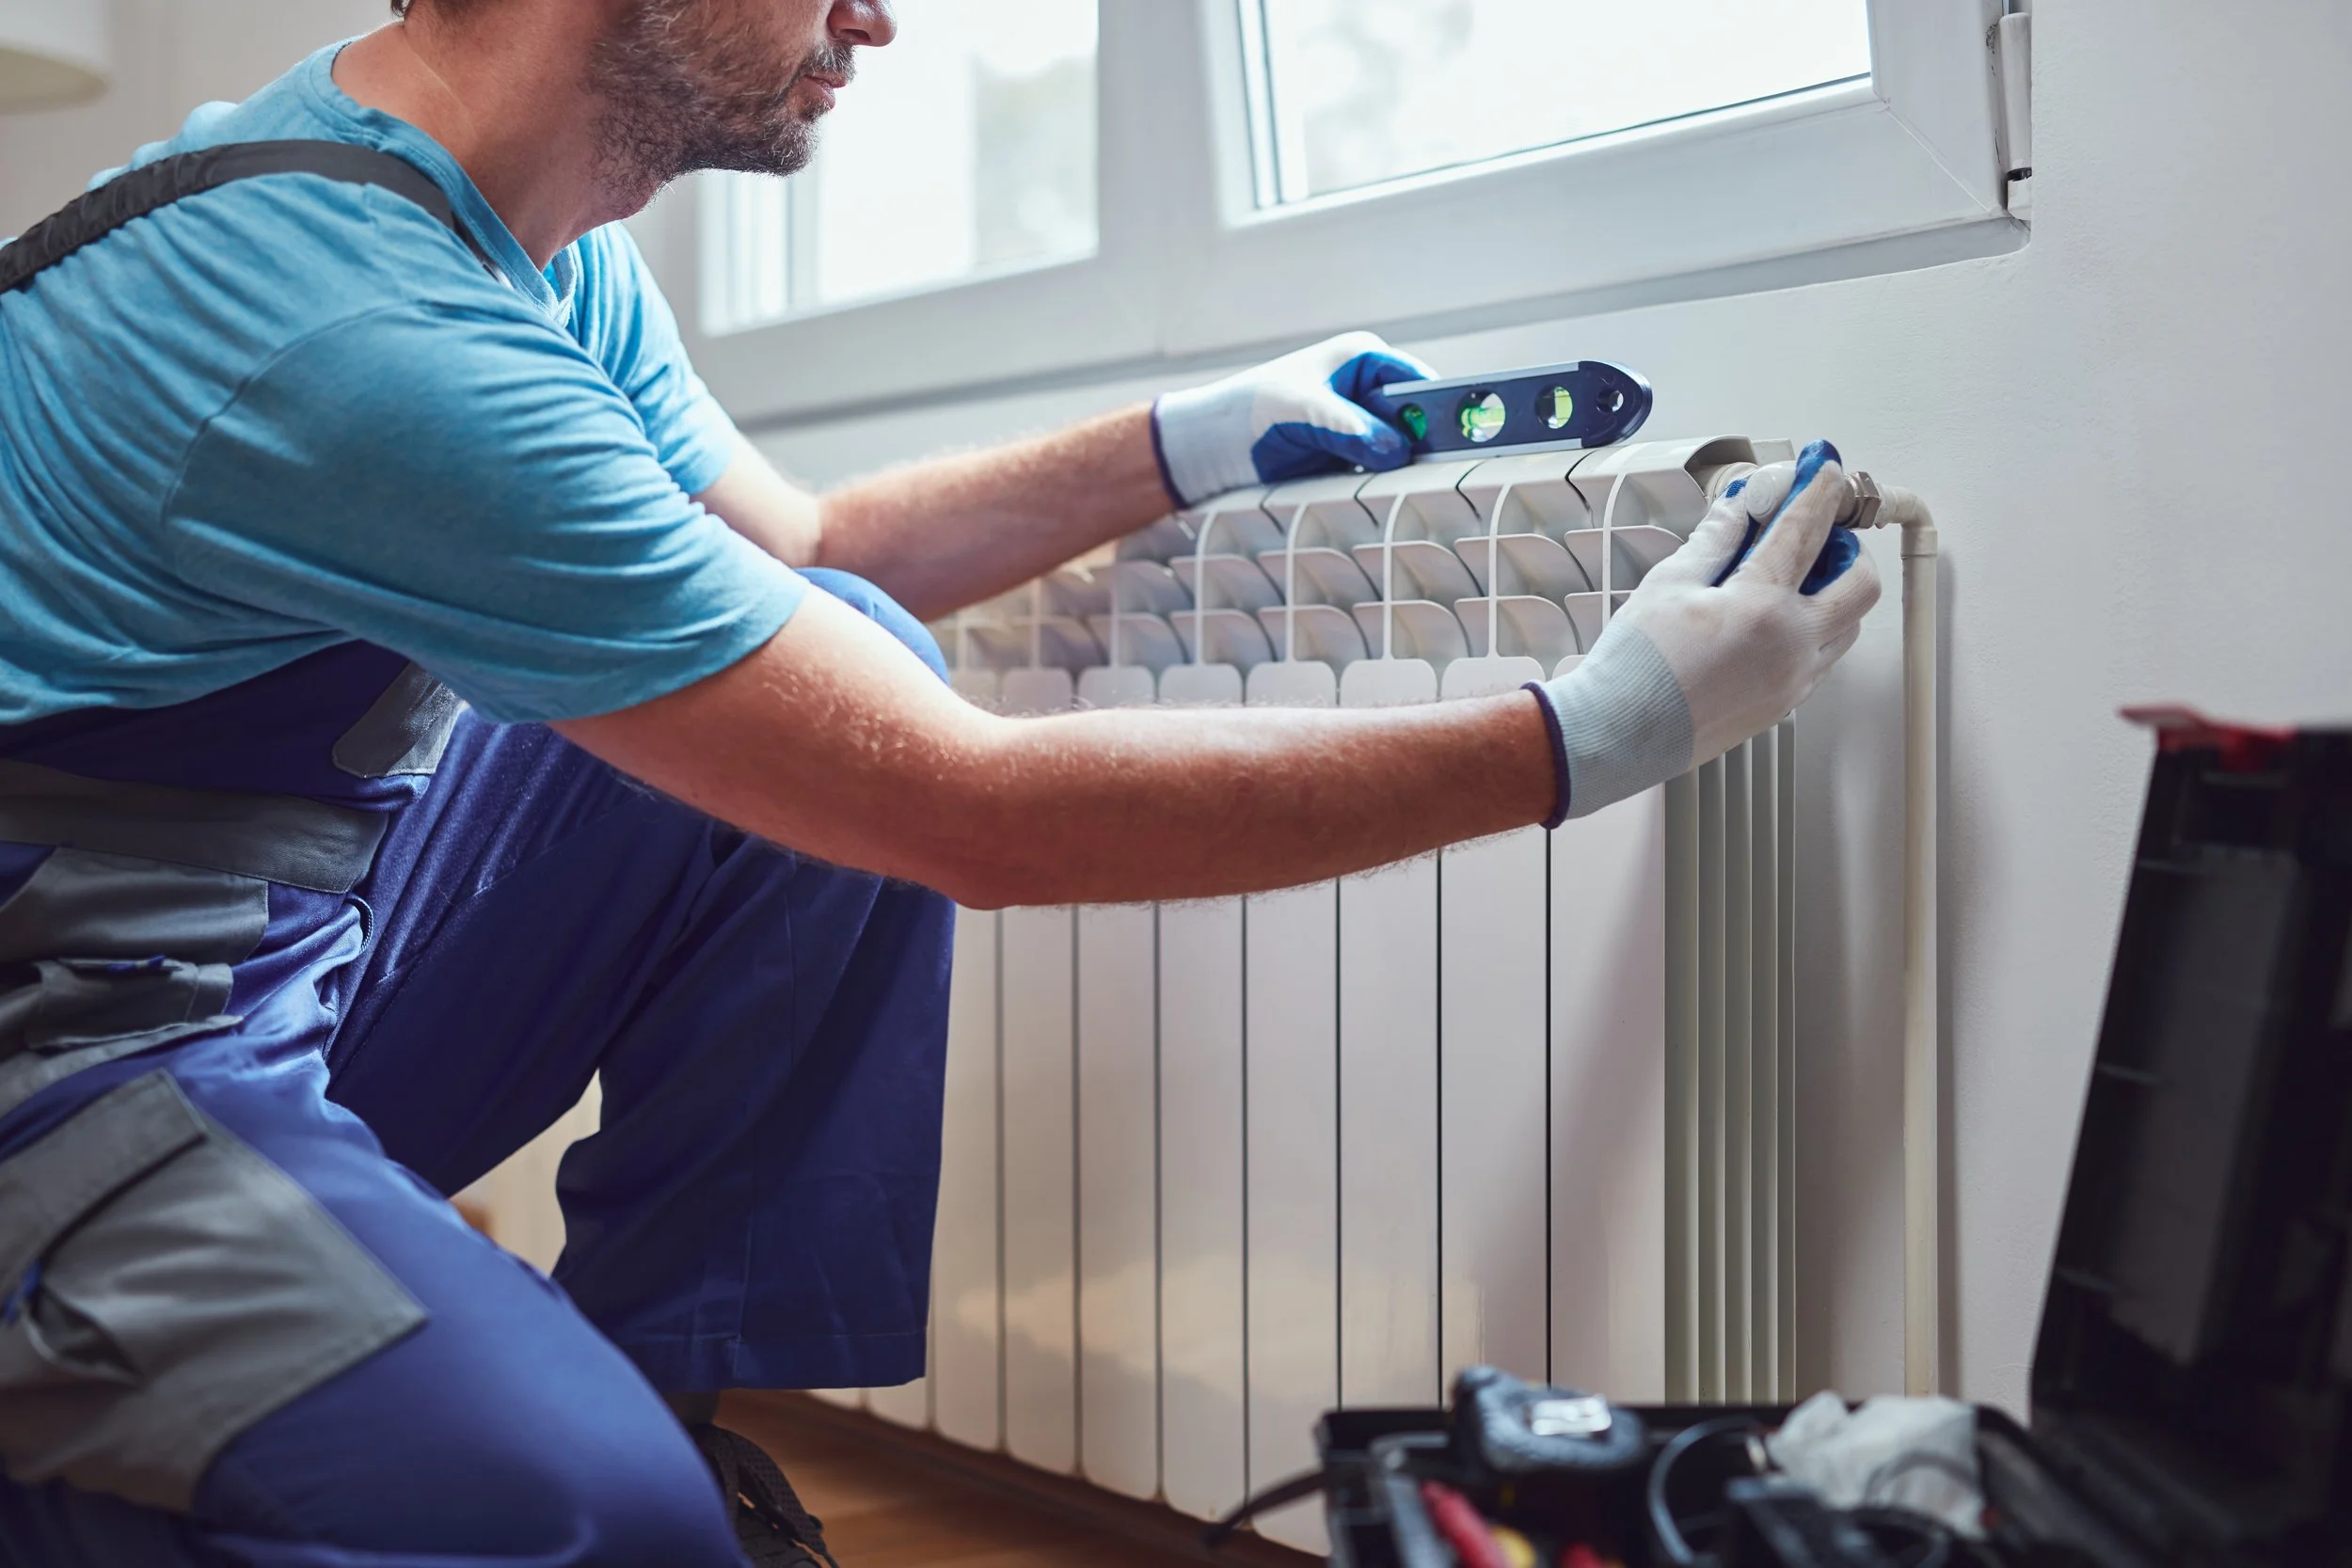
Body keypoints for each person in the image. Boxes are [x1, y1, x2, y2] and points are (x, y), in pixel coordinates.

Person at [0, 0, 1879, 1562]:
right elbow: (968, 810)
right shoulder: (339, 326)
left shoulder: (523, 244)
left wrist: (1186, 439)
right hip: (56, 1061)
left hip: (258, 961)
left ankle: (662, 1386)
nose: (878, 15)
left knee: (837, 654)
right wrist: (1590, 731)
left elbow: (815, 544)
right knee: (586, 1523)